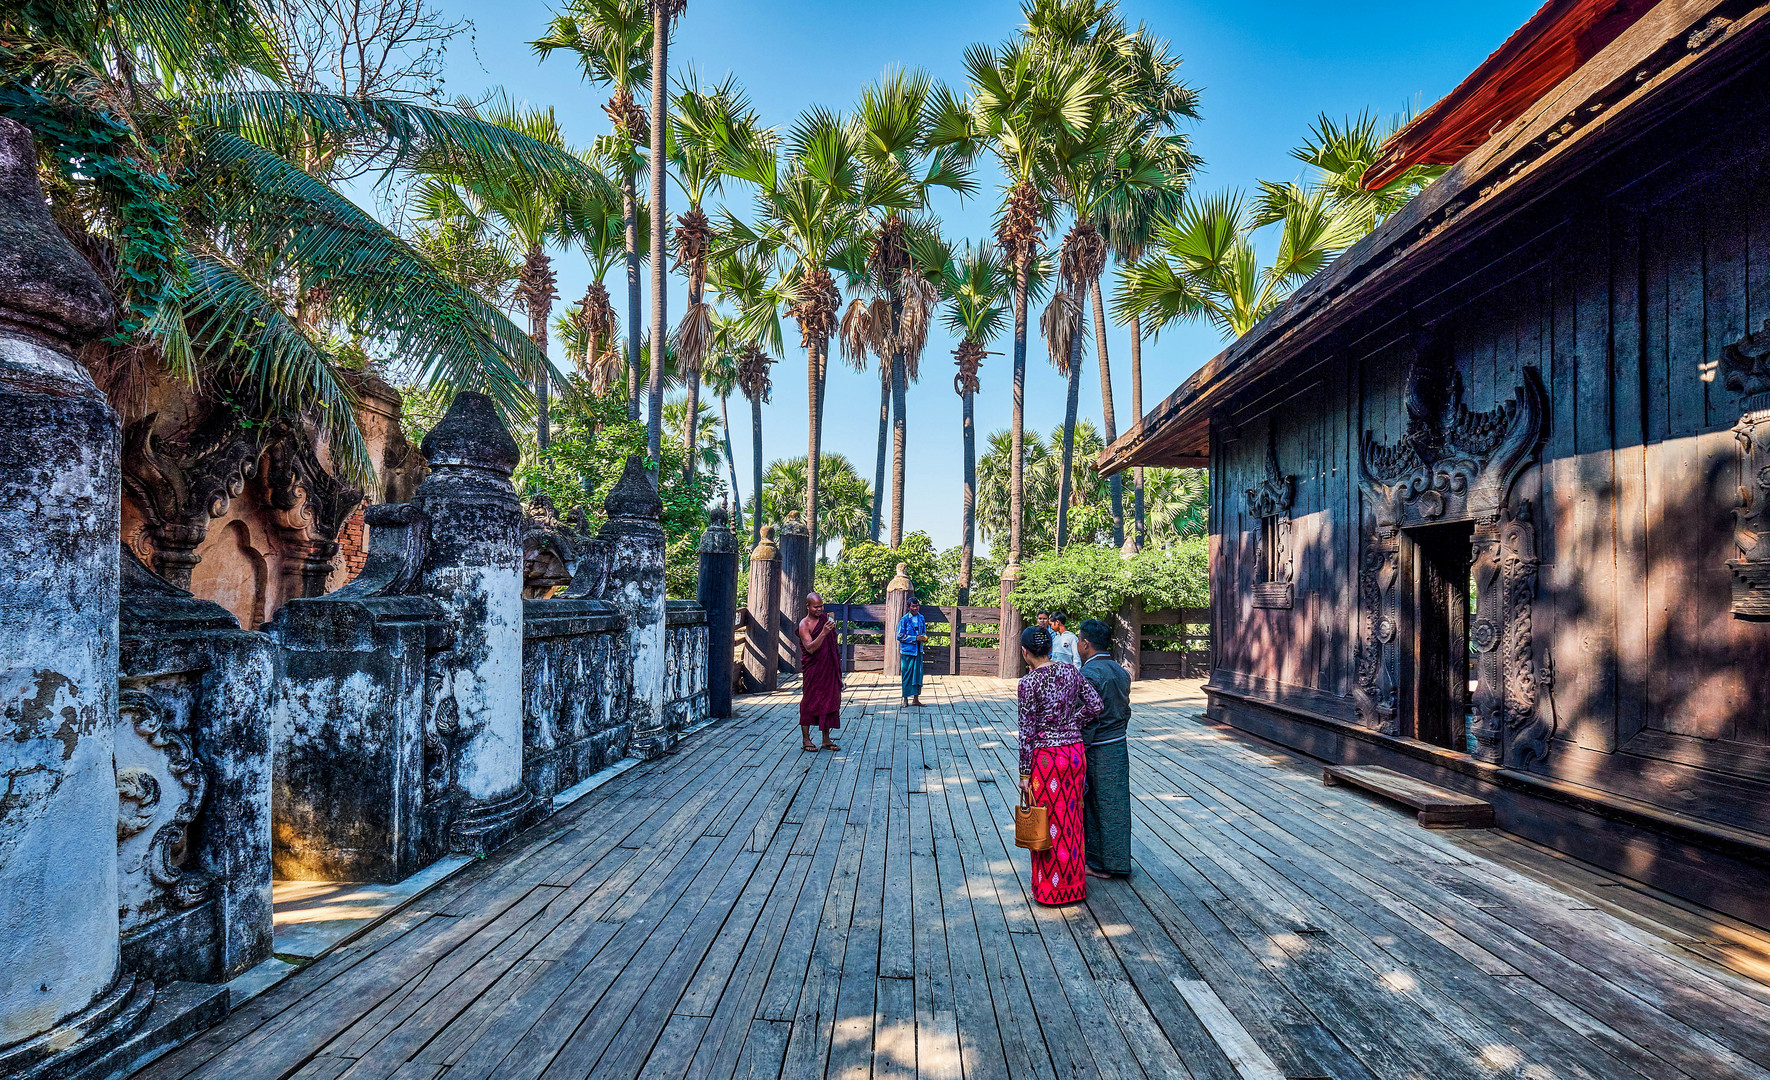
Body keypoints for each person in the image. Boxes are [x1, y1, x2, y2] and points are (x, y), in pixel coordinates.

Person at [1016, 625, 1103, 906]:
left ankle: (1049, 888)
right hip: (1074, 755)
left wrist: (1024, 773)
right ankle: (1073, 885)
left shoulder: (1028, 683)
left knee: (1046, 822)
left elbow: (1027, 731)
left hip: (1045, 760)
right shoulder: (1071, 672)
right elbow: (1095, 705)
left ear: (1025, 652)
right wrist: (1072, 725)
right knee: (1071, 820)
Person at [1076, 619, 1132, 880]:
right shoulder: (1120, 671)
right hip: (1118, 744)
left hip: (1097, 748)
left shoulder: (1088, 675)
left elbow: (1086, 718)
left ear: (1085, 645)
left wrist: (1079, 748)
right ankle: (1118, 861)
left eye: (1079, 640)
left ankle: (1099, 864)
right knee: (1116, 804)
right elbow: (1126, 710)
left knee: (1095, 805)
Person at [798, 592, 842, 751]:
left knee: (829, 701)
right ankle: (806, 739)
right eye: (816, 606)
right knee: (810, 701)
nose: (819, 609)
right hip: (814, 669)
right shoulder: (805, 624)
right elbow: (810, 648)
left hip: (828, 667)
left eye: (821, 606)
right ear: (807, 606)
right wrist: (823, 632)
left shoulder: (826, 620)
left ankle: (826, 739)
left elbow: (832, 646)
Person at [896, 596, 928, 707]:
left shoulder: (921, 618)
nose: (915, 608)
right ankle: (905, 699)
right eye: (913, 606)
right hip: (907, 652)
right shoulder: (904, 620)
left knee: (918, 675)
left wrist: (923, 637)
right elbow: (899, 636)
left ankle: (916, 699)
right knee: (907, 675)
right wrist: (914, 638)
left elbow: (924, 632)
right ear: (908, 607)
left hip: (918, 650)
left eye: (917, 606)